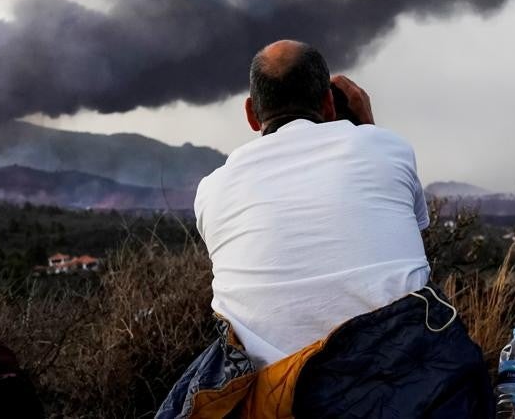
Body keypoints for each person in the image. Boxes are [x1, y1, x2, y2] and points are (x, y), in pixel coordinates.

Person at [159, 39, 491, 418]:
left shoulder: (212, 189)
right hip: (406, 391)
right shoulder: (387, 147)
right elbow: (416, 233)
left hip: (280, 402)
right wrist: (367, 127)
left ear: (252, 115)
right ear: (329, 104)